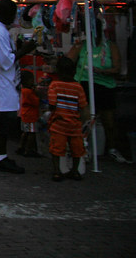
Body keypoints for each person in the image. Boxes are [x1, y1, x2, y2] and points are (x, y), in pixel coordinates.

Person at [0, 0, 36, 174]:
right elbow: (4, 60)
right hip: (0, 83)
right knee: (2, 122)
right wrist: (25, 50)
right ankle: (1, 157)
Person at [67, 19, 130, 163]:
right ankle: (83, 147)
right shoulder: (81, 45)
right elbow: (68, 61)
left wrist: (101, 71)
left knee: (109, 121)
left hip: (105, 85)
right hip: (84, 83)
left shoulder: (110, 46)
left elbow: (117, 68)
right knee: (86, 118)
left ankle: (112, 149)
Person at [47, 56, 90, 181]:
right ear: (74, 72)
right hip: (75, 124)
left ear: (58, 71)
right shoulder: (78, 87)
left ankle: (57, 171)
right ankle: (75, 171)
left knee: (57, 149)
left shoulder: (54, 85)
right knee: (77, 149)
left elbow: (52, 104)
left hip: (59, 123)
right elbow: (83, 106)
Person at [16, 70, 41, 158]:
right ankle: (28, 149)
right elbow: (36, 102)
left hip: (25, 114)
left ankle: (21, 146)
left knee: (25, 132)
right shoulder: (28, 92)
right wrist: (37, 94)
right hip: (31, 116)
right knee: (31, 133)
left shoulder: (23, 90)